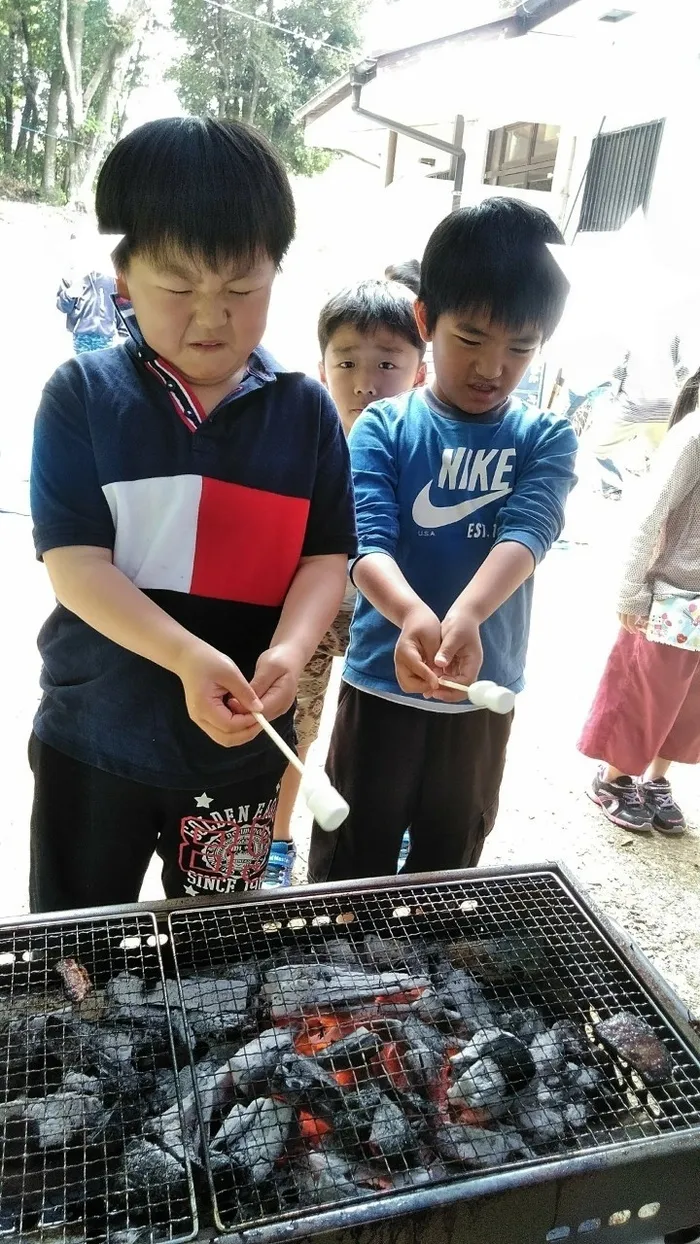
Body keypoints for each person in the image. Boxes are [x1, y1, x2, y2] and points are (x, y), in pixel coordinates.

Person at [29, 116, 356, 912]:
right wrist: (183, 656)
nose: (212, 318)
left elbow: (325, 559)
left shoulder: (307, 413)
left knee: (216, 952)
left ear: (277, 272)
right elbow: (76, 568)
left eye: (242, 289)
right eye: (179, 288)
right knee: (77, 947)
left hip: (238, 755)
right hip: (94, 737)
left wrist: (290, 648)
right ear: (123, 277)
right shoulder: (82, 398)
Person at [307, 198, 577, 883]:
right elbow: (366, 542)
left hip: (480, 690)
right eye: (472, 338)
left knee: (451, 852)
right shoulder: (384, 427)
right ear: (427, 320)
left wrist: (467, 613)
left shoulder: (545, 437)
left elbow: (530, 530)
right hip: (380, 682)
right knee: (352, 847)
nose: (493, 367)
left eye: (520, 347)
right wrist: (412, 614)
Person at [265, 279, 427, 886]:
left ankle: (392, 830)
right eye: (348, 362)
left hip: (382, 617)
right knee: (295, 725)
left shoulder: (422, 444)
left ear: (419, 367)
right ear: (322, 366)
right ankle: (277, 840)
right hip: (304, 614)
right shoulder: (302, 441)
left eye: (388, 363)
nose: (366, 381)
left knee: (385, 732)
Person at [579, 367, 700, 836]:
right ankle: (613, 778)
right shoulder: (693, 435)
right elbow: (650, 511)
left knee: (689, 703)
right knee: (645, 693)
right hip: (672, 595)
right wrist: (632, 588)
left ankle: (656, 779)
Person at [587, 328, 690, 498]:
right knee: (662, 454)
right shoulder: (674, 335)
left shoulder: (631, 336)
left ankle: (612, 486)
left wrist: (614, 394)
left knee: (598, 449)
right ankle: (656, 490)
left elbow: (618, 371)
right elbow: (682, 372)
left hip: (635, 406)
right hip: (662, 407)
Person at [56, 269, 119, 353]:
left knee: (104, 365)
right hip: (81, 338)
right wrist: (69, 294)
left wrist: (124, 334)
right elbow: (62, 307)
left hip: (106, 337)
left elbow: (119, 305)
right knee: (82, 365)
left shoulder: (112, 276)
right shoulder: (72, 275)